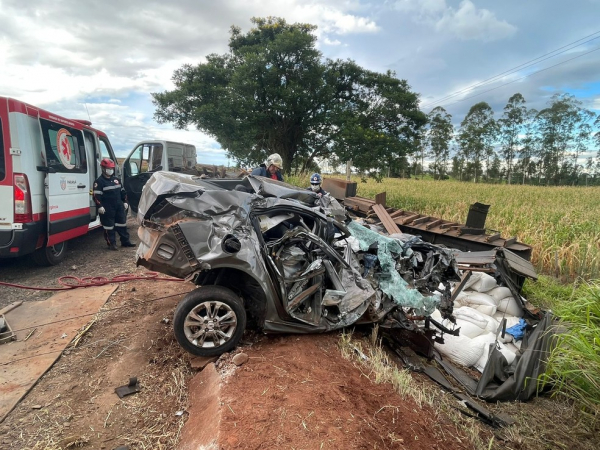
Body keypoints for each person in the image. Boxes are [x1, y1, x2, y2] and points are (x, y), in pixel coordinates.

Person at [93, 158, 136, 250]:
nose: (110, 170)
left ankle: (125, 242)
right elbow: (96, 196)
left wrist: (125, 202)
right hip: (107, 208)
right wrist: (99, 206)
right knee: (109, 227)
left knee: (122, 224)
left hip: (118, 206)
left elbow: (123, 192)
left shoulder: (117, 180)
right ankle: (112, 244)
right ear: (103, 168)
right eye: (109, 168)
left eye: (112, 168)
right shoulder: (99, 182)